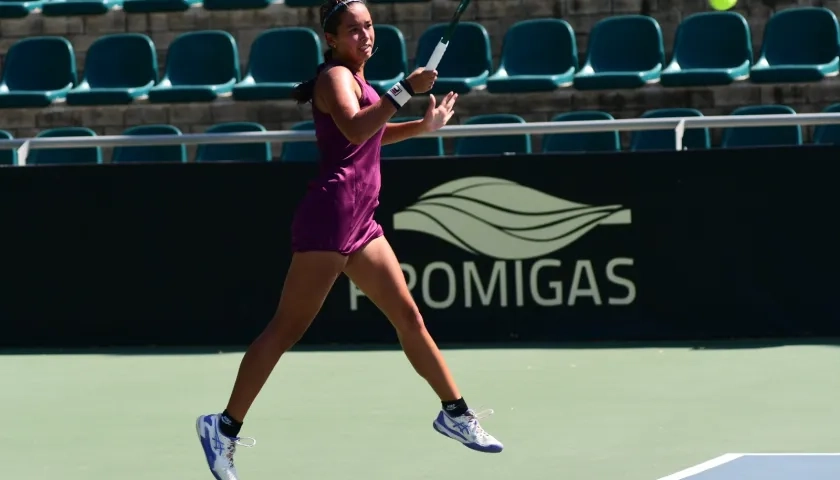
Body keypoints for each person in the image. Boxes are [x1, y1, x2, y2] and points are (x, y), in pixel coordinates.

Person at [195, 0, 503, 477]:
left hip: (362, 222)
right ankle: (224, 427)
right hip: (331, 219)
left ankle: (456, 414)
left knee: (408, 316)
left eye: (369, 26)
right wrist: (406, 90)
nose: (365, 35)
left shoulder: (362, 83)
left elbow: (373, 133)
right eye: (354, 30)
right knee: (286, 329)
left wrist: (423, 125)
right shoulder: (334, 78)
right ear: (331, 40)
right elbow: (356, 127)